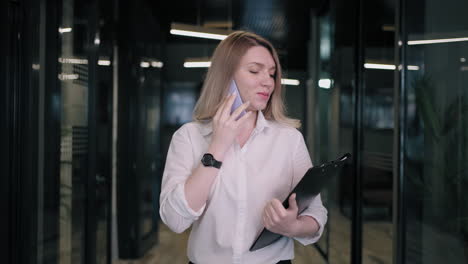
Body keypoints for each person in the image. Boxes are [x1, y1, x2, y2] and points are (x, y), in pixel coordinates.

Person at [159, 31, 328, 264]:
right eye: (254, 70)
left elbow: (315, 214)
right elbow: (175, 220)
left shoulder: (289, 139)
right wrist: (217, 147)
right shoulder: (188, 137)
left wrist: (293, 226)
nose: (268, 81)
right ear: (225, 77)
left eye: (271, 73)